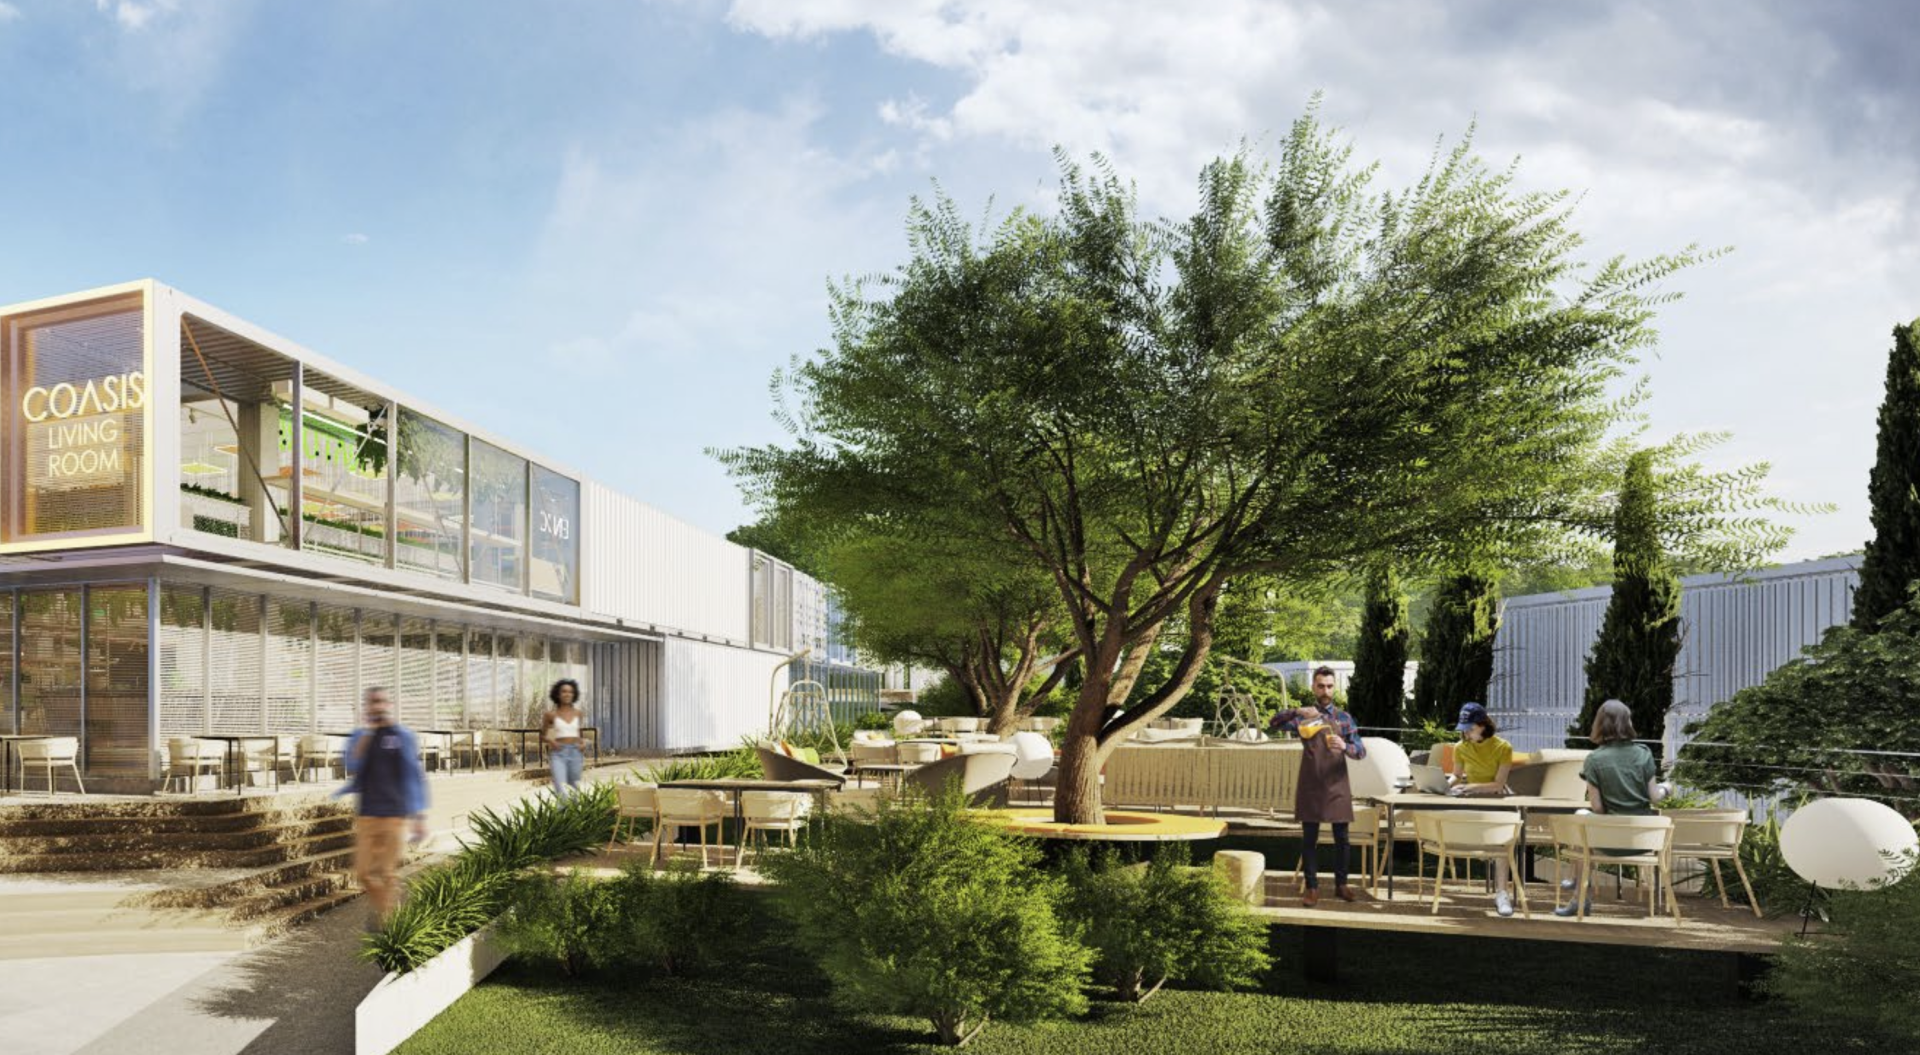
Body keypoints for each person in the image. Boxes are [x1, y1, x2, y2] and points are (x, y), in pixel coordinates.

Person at [1269, 666, 1367, 906]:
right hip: (1311, 784)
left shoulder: (1344, 718)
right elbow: (1273, 723)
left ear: (1334, 687)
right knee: (1309, 840)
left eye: (1330, 686)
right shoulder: (1305, 717)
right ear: (1313, 687)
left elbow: (1360, 751)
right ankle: (1312, 888)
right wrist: (1297, 710)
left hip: (1337, 784)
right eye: (1321, 686)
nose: (1326, 690)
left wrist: (1345, 746)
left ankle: (1341, 885)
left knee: (1342, 839)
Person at [1555, 698, 1661, 917]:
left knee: (1580, 821)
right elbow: (1655, 797)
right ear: (1627, 722)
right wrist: (1667, 788)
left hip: (1609, 842)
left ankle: (1580, 896)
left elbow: (1597, 807)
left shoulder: (1594, 759)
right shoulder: (1644, 753)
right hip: (1643, 841)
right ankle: (1659, 907)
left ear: (1599, 724)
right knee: (1583, 828)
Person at [341, 687, 429, 923]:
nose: (377, 706)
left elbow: (414, 776)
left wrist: (419, 817)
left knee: (388, 873)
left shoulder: (402, 736)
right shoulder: (360, 737)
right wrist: (369, 733)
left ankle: (386, 922)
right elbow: (351, 766)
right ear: (367, 706)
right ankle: (388, 913)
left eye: (381, 701)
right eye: (372, 702)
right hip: (367, 815)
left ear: (389, 705)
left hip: (394, 816)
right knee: (363, 873)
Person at [1450, 702, 1519, 916]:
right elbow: (1457, 775)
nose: (1466, 733)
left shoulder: (1503, 747)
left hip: (1497, 800)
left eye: (1470, 728)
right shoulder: (1460, 747)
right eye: (1464, 728)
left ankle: (1502, 893)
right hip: (1470, 800)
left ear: (1483, 725)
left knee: (1502, 842)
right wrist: (1444, 785)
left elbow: (1498, 784)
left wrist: (1470, 787)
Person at [543, 678, 588, 798]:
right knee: (561, 788)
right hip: (558, 753)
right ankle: (563, 810)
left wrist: (583, 743)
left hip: (576, 753)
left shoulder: (578, 713)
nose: (567, 694)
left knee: (574, 789)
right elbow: (544, 735)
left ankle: (574, 810)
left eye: (570, 692)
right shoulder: (550, 715)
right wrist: (551, 741)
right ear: (558, 694)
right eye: (564, 691)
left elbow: (578, 734)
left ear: (574, 695)